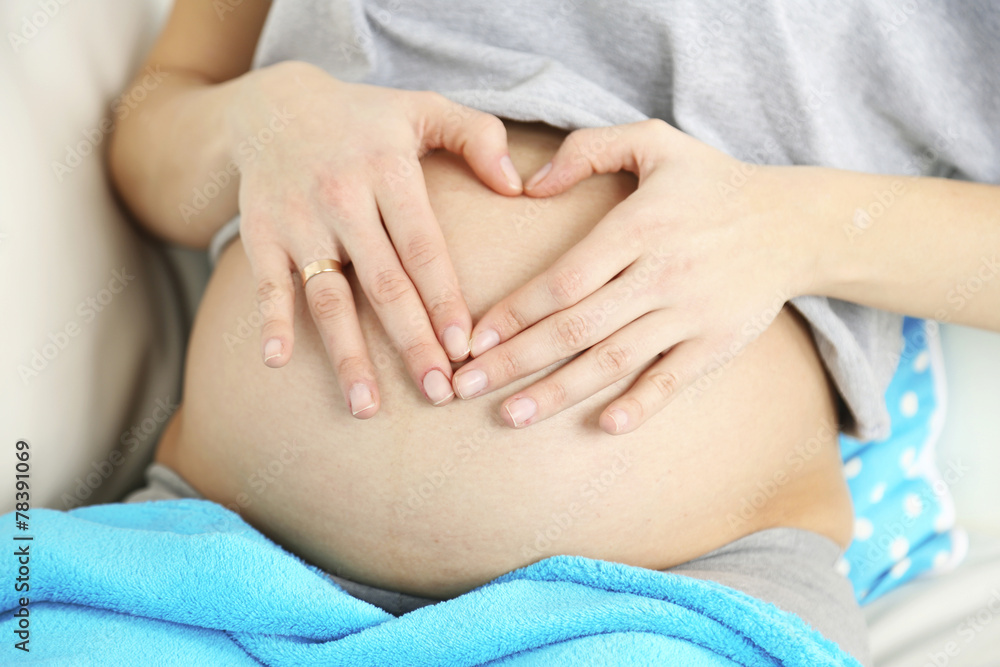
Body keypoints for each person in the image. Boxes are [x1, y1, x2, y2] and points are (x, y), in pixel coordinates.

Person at [108, 1, 1000, 663]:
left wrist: (793, 225)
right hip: (201, 565)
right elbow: (151, 134)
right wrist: (260, 117)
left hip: (668, 607)